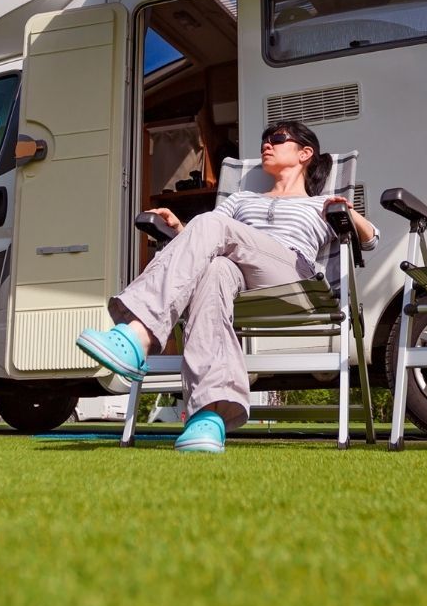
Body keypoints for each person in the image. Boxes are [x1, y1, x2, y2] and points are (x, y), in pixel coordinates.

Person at [74, 119, 378, 454]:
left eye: (277, 138)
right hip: (238, 280)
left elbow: (371, 240)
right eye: (264, 139)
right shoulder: (242, 199)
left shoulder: (319, 204)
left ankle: (139, 334)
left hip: (291, 278)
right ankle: (208, 418)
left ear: (305, 153)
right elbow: (209, 238)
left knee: (212, 225)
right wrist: (179, 230)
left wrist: (347, 212)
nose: (266, 144)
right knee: (216, 270)